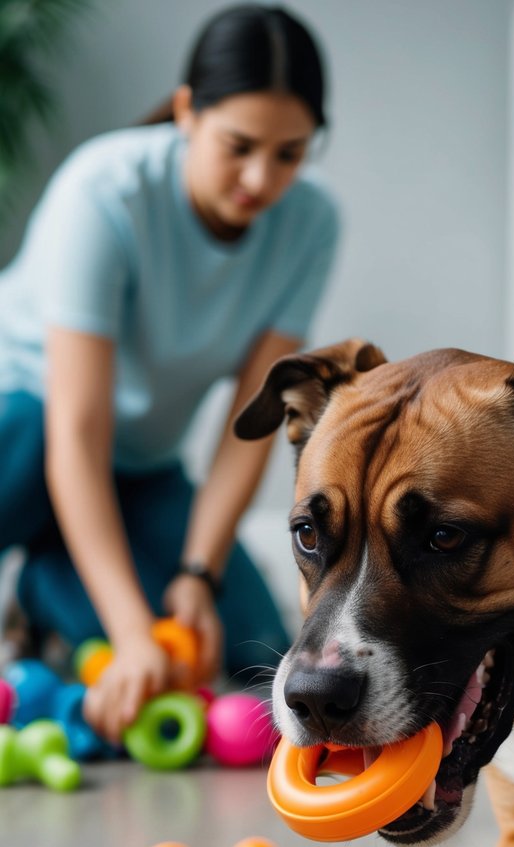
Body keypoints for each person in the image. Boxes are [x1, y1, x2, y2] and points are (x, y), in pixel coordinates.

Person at [0, 4, 338, 743]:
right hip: (27, 429)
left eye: (289, 153)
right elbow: (76, 434)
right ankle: (51, 564)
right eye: (239, 145)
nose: (260, 178)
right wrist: (129, 630)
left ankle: (41, 581)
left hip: (139, 467)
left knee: (251, 644)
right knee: (128, 637)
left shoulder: (311, 225)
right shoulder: (104, 191)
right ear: (187, 110)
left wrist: (198, 573)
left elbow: (248, 428)